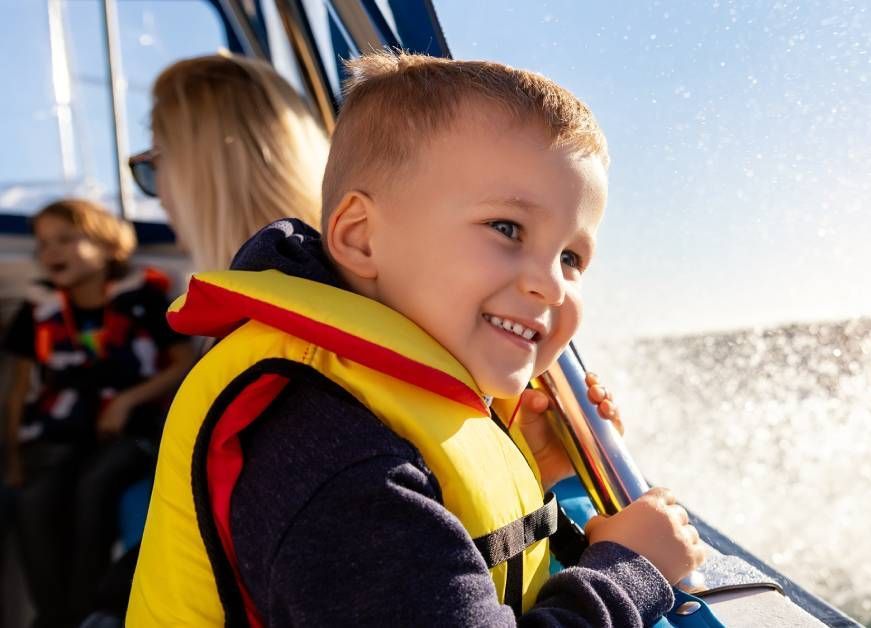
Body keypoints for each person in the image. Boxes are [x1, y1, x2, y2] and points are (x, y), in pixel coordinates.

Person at [128, 52, 705, 626]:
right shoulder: (337, 455)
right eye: (507, 228)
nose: (551, 284)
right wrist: (628, 575)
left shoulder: (363, 417)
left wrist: (528, 465)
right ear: (360, 239)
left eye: (572, 257)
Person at [2, 199, 194, 627]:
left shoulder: (142, 298)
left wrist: (127, 401)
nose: (51, 252)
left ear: (108, 245)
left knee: (95, 483)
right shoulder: (38, 310)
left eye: (66, 240)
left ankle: (87, 612)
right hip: (58, 437)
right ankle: (54, 617)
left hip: (127, 434)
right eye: (43, 244)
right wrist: (13, 459)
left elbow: (183, 362)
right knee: (33, 499)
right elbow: (18, 391)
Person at [128, 53, 329, 273]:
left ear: (204, 172)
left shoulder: (241, 300)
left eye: (156, 162)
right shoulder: (329, 272)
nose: (160, 197)